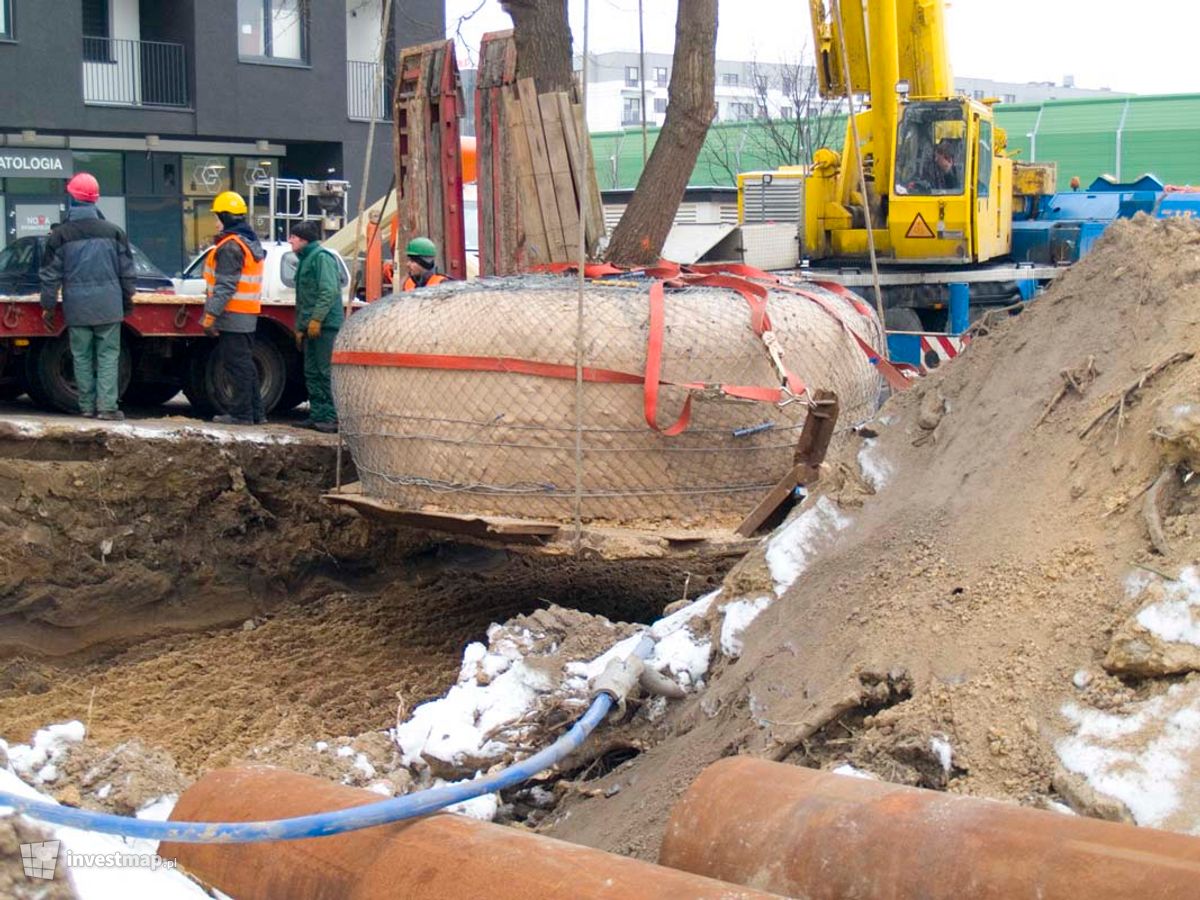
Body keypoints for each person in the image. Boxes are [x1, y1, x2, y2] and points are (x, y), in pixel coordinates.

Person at [39, 172, 135, 421]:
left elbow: (50, 275)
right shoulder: (114, 232)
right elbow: (127, 273)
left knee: (81, 357)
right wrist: (127, 300)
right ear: (95, 200)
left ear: (72, 198)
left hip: (77, 307)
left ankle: (86, 407)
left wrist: (48, 307)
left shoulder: (60, 235)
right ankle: (107, 408)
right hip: (109, 306)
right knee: (107, 356)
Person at [202, 190, 267, 426]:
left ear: (226, 216)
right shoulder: (248, 242)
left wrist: (210, 314)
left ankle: (241, 414)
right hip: (246, 315)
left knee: (236, 366)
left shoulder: (230, 246)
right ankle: (256, 413)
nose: (215, 221)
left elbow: (225, 286)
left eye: (218, 216)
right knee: (244, 364)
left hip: (233, 315)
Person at [288, 220, 343, 433]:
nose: (290, 240)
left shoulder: (321, 258)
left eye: (293, 237)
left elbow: (328, 291)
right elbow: (305, 298)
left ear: (303, 239)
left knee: (324, 371)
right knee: (311, 371)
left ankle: (330, 418)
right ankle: (318, 415)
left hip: (325, 327)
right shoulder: (305, 259)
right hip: (313, 327)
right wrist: (301, 327)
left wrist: (317, 319)